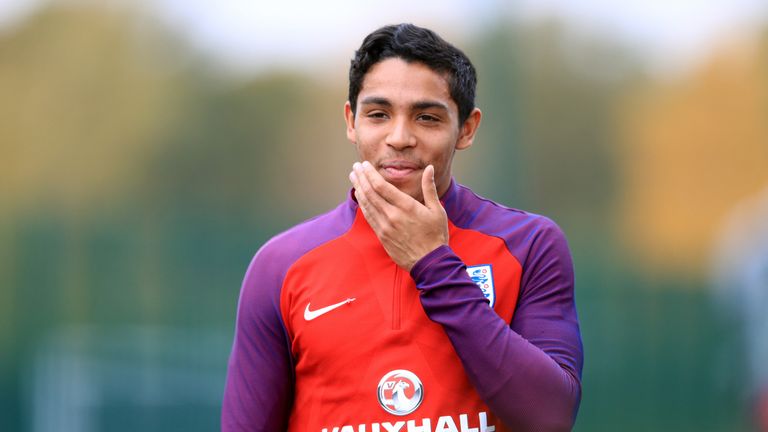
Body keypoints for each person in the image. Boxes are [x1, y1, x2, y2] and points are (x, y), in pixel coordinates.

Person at [222, 23, 583, 432]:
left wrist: (434, 263)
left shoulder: (529, 245)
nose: (399, 137)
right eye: (378, 115)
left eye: (427, 118)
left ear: (466, 129)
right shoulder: (281, 265)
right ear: (351, 122)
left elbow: (549, 418)